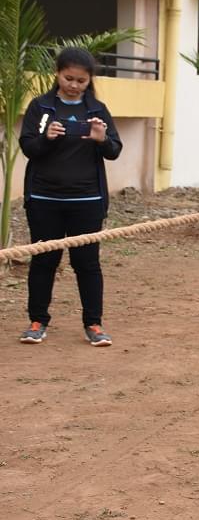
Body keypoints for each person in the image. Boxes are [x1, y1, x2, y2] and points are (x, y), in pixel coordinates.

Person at [18, 47, 123, 347]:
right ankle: (37, 321)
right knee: (44, 261)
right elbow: (29, 147)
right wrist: (46, 137)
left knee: (87, 263)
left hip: (87, 201)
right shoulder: (41, 107)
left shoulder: (97, 110)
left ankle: (94, 324)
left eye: (81, 80)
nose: (74, 85)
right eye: (68, 78)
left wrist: (102, 140)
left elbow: (114, 150)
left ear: (89, 80)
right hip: (44, 199)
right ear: (57, 74)